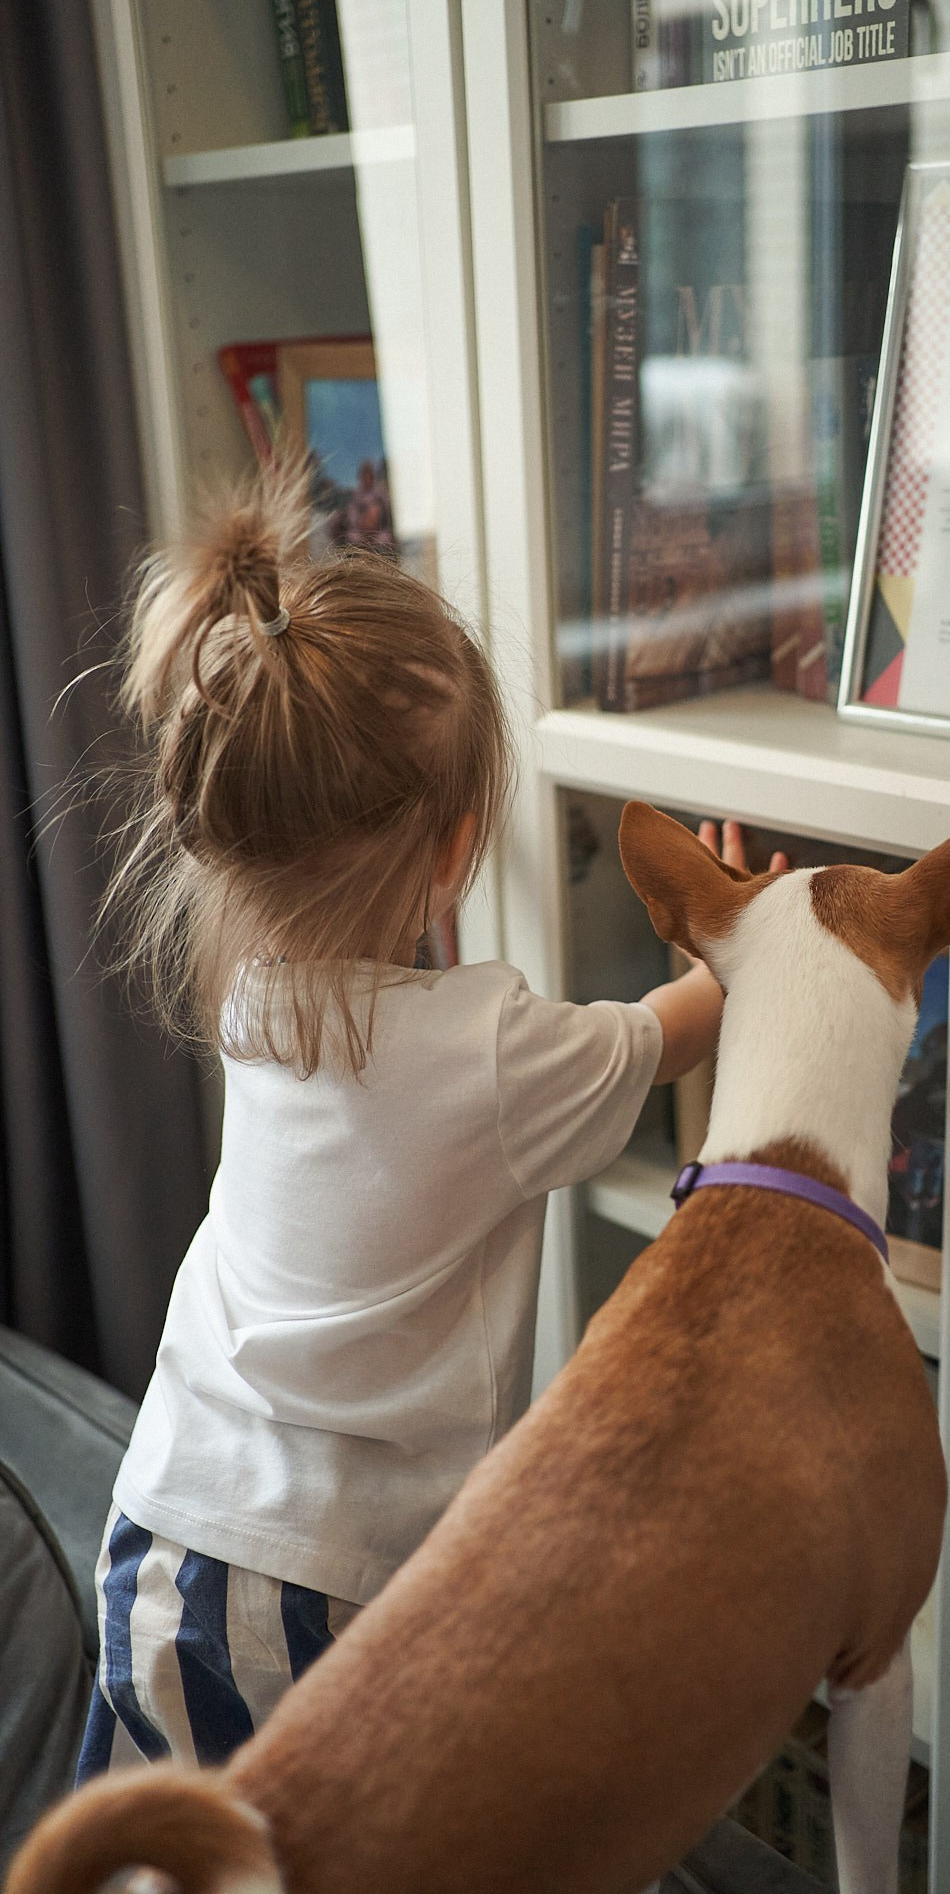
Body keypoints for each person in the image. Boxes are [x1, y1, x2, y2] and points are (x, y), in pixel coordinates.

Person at [77, 464, 777, 1777]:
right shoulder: (492, 1049)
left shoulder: (256, 1001)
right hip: (322, 1576)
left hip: (162, 1523)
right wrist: (730, 920)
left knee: (148, 1838)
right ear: (457, 851)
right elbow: (680, 1022)